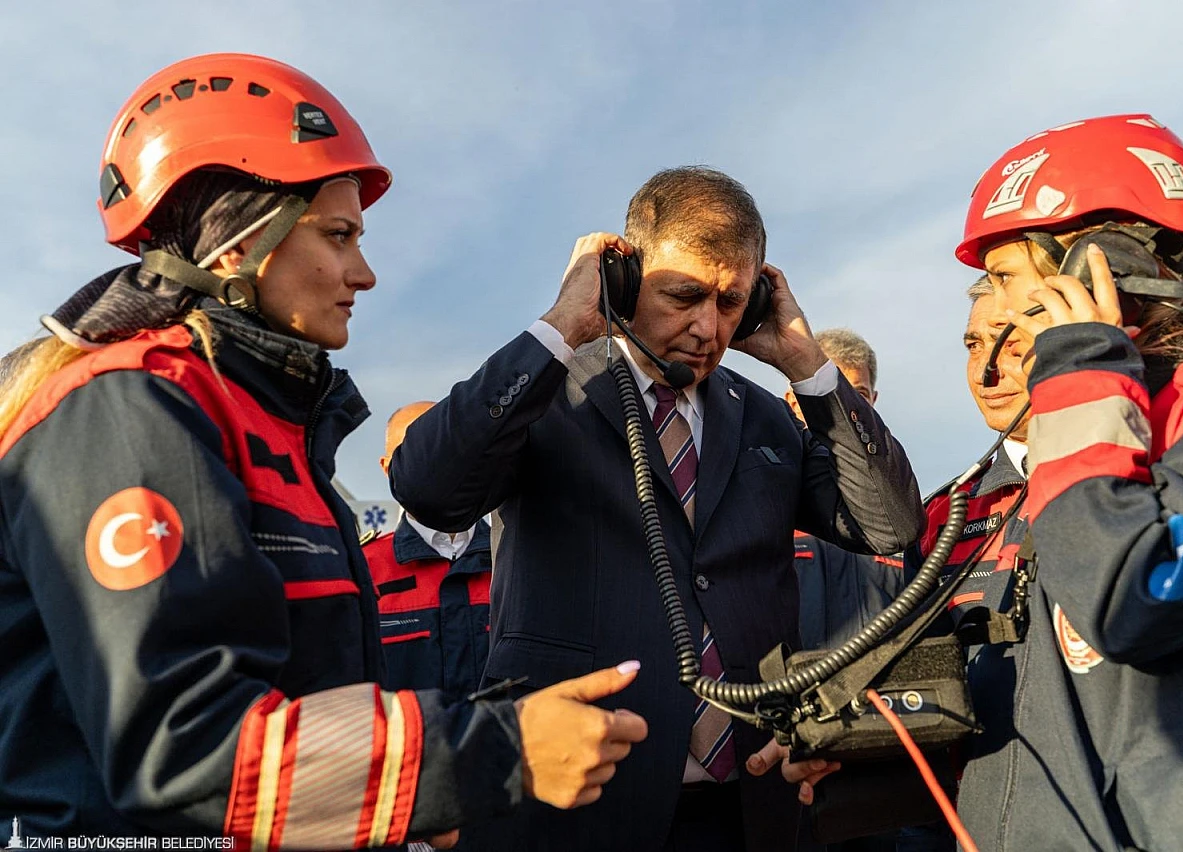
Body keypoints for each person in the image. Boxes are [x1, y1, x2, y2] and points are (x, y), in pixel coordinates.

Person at [0, 53, 647, 849]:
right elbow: (186, 746)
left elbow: (311, 701)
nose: (364, 274)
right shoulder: (131, 408)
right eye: (339, 235)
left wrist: (418, 798)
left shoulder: (264, 423)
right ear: (236, 246)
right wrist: (490, 754)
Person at [390, 166, 925, 852]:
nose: (707, 327)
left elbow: (889, 524)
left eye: (731, 302)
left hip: (749, 806)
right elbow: (428, 486)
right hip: (578, 802)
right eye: (684, 295)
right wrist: (562, 326)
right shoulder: (546, 395)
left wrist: (807, 365)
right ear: (622, 278)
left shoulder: (767, 418)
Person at [947, 113, 1183, 850]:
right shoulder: (1068, 438)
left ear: (1097, 265)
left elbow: (1130, 601)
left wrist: (1081, 373)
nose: (995, 312)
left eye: (1004, 277)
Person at [785, 328, 903, 653]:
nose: (843, 408)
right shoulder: (764, 505)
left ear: (873, 402)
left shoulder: (899, 513)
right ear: (793, 402)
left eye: (857, 394)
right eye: (824, 392)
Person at [365, 401, 494, 699]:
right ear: (387, 468)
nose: (431, 465)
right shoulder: (363, 571)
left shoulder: (516, 564)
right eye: (409, 454)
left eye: (444, 448)